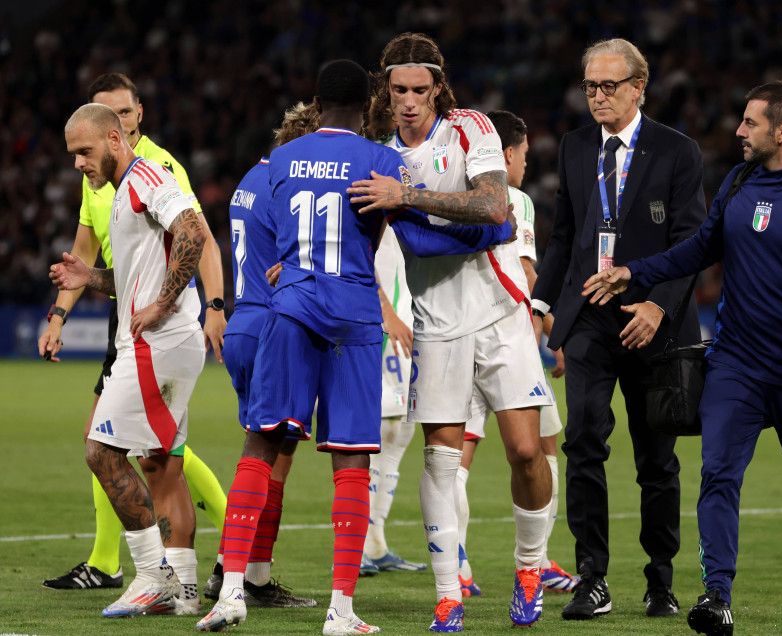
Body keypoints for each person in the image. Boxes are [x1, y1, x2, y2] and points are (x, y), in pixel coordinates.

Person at [197, 59, 514, 635]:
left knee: (260, 446)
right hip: (355, 318)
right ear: (371, 103)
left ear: (315, 106)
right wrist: (494, 228)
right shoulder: (380, 162)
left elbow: (262, 241)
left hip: (290, 310)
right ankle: (341, 611)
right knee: (352, 461)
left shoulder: (281, 162)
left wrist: (282, 272)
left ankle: (232, 593)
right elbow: (418, 233)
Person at [585, 80, 782, 636]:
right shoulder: (738, 182)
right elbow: (701, 248)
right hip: (736, 364)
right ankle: (716, 598)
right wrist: (634, 272)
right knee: (717, 476)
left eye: (750, 123)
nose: (739, 131)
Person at [350, 32, 555, 631]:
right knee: (440, 462)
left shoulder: (470, 128)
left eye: (419, 89)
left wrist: (407, 201)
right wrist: (449, 217)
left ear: (438, 86)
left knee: (525, 450)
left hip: (500, 312)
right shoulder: (379, 155)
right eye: (398, 90)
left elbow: (497, 210)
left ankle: (530, 567)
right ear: (384, 91)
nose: (409, 101)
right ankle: (448, 595)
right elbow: (422, 239)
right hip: (435, 325)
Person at [528, 38, 707, 621]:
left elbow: (692, 242)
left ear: (638, 88)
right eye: (590, 87)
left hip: (654, 322)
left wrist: (657, 305)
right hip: (589, 320)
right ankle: (592, 580)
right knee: (582, 441)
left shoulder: (677, 152)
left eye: (609, 86)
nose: (598, 96)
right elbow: (565, 235)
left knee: (656, 458)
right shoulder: (577, 147)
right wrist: (538, 302)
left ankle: (660, 581)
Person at [39, 73, 227, 615]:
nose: (77, 163)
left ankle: (149, 575)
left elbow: (195, 233)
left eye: (83, 151)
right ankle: (185, 594)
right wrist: (89, 277)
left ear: (117, 138)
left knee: (101, 450)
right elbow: (139, 274)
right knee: (162, 467)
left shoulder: (148, 176)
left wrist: (166, 301)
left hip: (154, 343)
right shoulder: (123, 190)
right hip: (164, 340)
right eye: (72, 154)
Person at [454, 110, 579, 598]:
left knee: (455, 460)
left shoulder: (454, 189)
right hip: (512, 343)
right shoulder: (514, 197)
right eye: (524, 155)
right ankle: (539, 562)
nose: (526, 165)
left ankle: (458, 566)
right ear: (506, 153)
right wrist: (555, 330)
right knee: (542, 449)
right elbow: (528, 272)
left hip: (458, 338)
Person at [201, 102, 321, 609]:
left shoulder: (252, 176)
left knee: (273, 454)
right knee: (266, 458)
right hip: (277, 326)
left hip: (243, 323)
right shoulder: (292, 184)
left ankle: (245, 571)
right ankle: (237, 573)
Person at [361, 221, 429, 574]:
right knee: (381, 426)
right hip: (379, 317)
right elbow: (358, 252)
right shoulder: (373, 191)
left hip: (400, 309)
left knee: (401, 427)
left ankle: (375, 541)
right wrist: (386, 313)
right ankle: (359, 545)